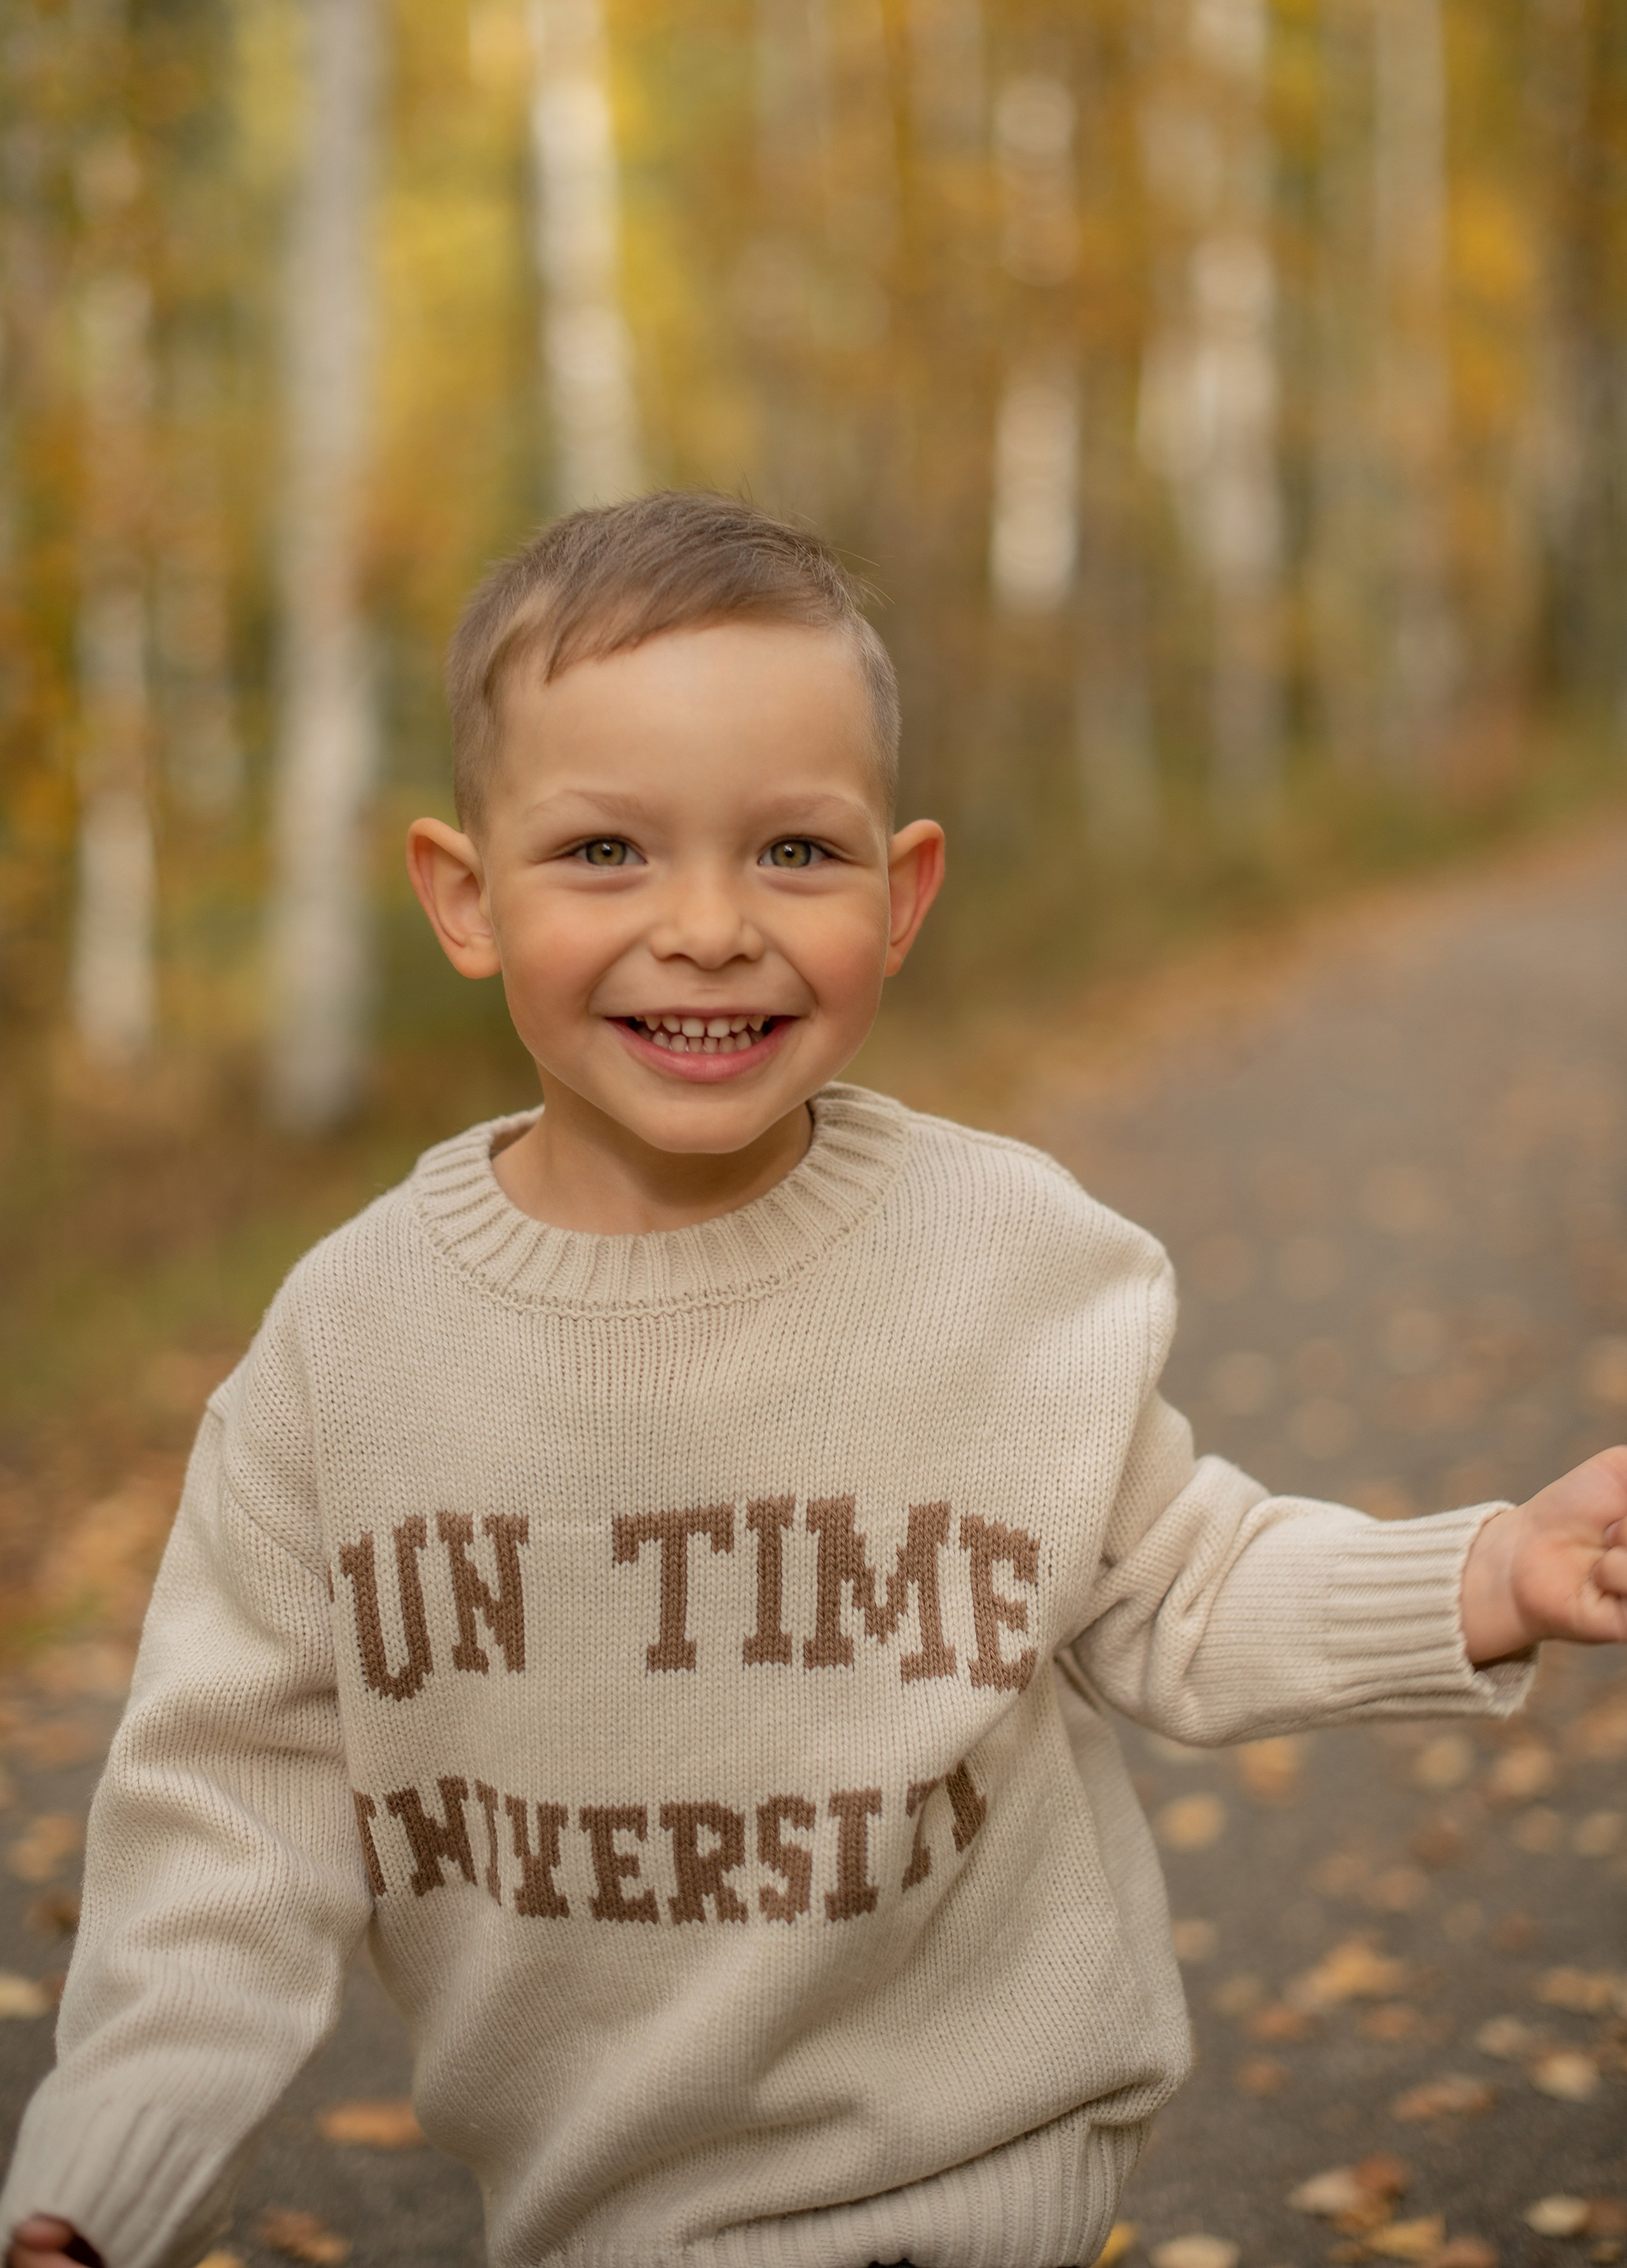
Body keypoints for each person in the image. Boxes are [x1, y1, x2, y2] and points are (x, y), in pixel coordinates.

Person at [5, 491, 1625, 2268]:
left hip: (983, 2185)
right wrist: (99, 2183)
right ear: (466, 899)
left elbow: (1181, 1583)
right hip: (598, 2220)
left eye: (793, 851)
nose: (710, 927)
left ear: (900, 893)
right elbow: (228, 1830)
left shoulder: (1006, 1257)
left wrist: (1484, 1574)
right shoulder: (349, 1353)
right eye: (606, 852)